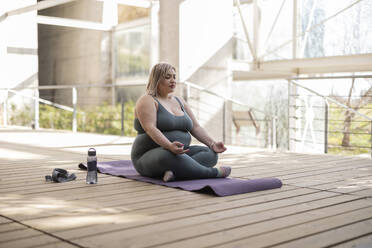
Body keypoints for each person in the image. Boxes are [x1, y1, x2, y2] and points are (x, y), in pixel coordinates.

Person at [130, 62, 231, 182]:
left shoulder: (179, 101)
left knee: (210, 154)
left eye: (174, 77)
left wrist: (212, 144)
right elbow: (150, 128)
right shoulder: (147, 100)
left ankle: (175, 173)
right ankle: (213, 173)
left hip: (179, 152)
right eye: (167, 77)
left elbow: (196, 127)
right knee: (168, 156)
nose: (173, 80)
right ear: (156, 79)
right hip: (149, 155)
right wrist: (169, 145)